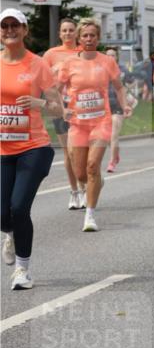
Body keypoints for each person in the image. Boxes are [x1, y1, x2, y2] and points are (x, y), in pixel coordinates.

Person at [1, 8, 63, 290]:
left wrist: (38, 103)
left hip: (33, 147)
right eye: (5, 26)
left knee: (18, 206)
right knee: (3, 214)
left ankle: (23, 270)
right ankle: (10, 232)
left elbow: (58, 108)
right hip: (3, 148)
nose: (9, 31)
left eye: (15, 25)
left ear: (25, 30)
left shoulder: (37, 65)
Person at [59, 20, 132, 232]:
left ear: (98, 38)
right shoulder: (70, 63)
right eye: (85, 36)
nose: (89, 39)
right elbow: (56, 89)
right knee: (80, 173)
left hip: (101, 121)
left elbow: (119, 87)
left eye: (93, 35)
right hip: (78, 124)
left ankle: (89, 215)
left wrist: (125, 105)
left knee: (92, 166)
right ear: (79, 39)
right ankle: (95, 182)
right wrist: (62, 108)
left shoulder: (107, 61)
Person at [43, 17, 81, 209]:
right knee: (68, 151)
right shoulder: (51, 54)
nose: (67, 34)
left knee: (81, 150)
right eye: (64, 30)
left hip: (82, 108)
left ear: (76, 32)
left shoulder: (83, 52)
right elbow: (43, 79)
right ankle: (75, 191)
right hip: (59, 107)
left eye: (71, 30)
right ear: (59, 34)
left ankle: (86, 182)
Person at [104, 46, 136, 173]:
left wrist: (128, 95)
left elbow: (132, 83)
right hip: (104, 106)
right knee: (106, 137)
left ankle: (111, 162)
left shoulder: (122, 70)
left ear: (116, 57)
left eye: (113, 55)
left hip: (118, 106)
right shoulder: (100, 70)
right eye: (108, 55)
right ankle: (115, 153)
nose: (110, 57)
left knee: (114, 135)